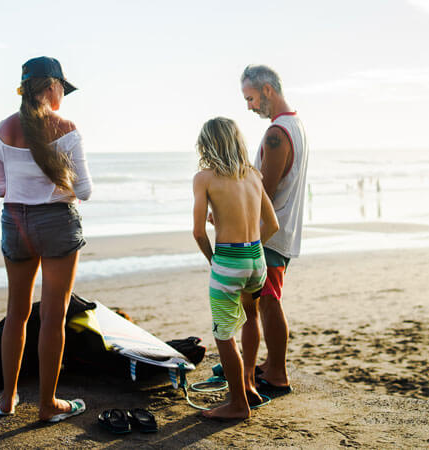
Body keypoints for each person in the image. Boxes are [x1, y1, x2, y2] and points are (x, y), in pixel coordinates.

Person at [0, 56, 92, 422]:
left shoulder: (2, 129)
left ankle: (7, 398)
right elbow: (85, 189)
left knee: (16, 314)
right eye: (62, 86)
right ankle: (48, 405)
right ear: (51, 87)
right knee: (52, 317)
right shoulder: (65, 127)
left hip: (15, 222)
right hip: (56, 223)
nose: (63, 92)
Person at [192, 117, 279, 420]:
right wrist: (251, 249)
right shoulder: (253, 175)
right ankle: (249, 384)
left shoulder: (204, 178)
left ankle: (238, 405)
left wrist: (214, 260)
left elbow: (199, 232)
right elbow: (272, 225)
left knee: (223, 334)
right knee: (251, 315)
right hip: (256, 258)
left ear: (207, 144)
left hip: (228, 260)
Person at [239, 64, 309, 395]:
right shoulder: (295, 126)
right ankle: (272, 363)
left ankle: (278, 374)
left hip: (272, 231)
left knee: (268, 300)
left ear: (268, 90)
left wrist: (232, 212)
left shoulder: (276, 134)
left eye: (251, 98)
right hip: (285, 227)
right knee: (269, 298)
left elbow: (265, 191)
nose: (249, 106)